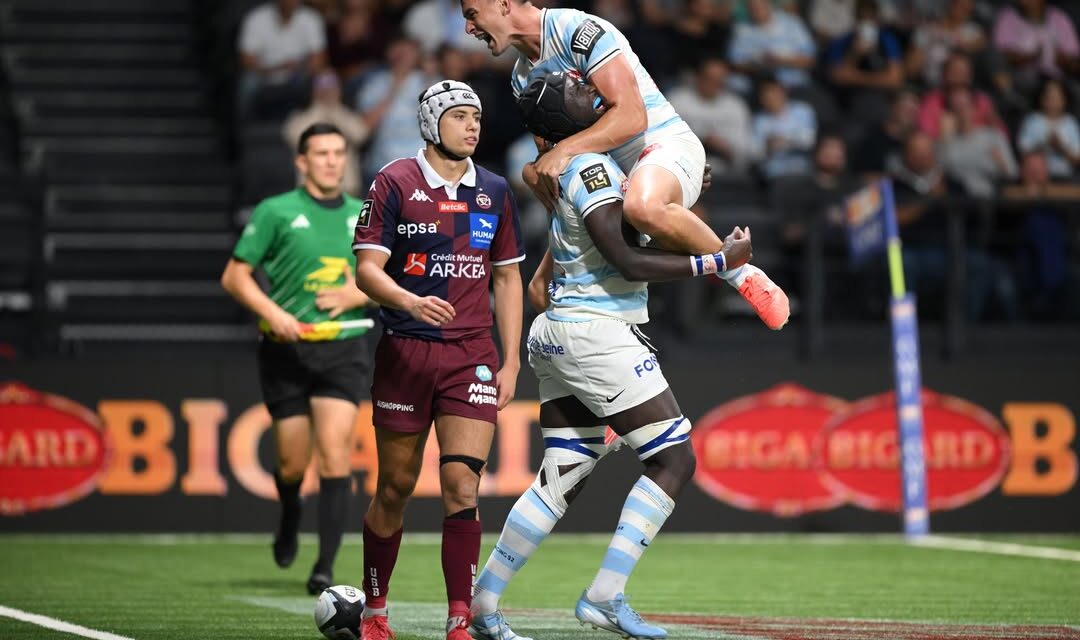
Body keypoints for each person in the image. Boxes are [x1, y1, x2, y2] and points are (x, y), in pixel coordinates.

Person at [469, 70, 752, 640]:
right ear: (563, 118)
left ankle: (483, 604)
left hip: (559, 330)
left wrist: (682, 186)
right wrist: (715, 262)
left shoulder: (572, 170)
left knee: (561, 475)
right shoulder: (590, 168)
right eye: (574, 90)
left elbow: (540, 286)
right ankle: (605, 595)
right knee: (674, 460)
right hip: (594, 334)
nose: (588, 88)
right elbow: (628, 261)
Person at [460, 0, 790, 330]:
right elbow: (548, 163)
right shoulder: (522, 79)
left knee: (643, 207)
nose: (468, 29)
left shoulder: (577, 31)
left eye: (472, 15)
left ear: (502, 4)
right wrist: (536, 172)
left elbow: (632, 117)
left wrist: (563, 153)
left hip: (660, 143)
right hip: (607, 178)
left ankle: (740, 272)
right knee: (540, 293)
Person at [351, 80, 525, 640]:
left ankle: (458, 620)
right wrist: (407, 300)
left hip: (471, 355)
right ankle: (375, 612)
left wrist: (511, 361)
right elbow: (367, 271)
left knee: (462, 486)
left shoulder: (494, 189)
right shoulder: (394, 180)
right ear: (431, 124)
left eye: (476, 116)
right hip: (405, 350)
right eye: (458, 116)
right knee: (395, 489)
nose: (472, 125)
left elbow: (507, 277)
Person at [220, 123, 373, 594]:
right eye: (321, 153)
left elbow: (394, 276)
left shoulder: (364, 214)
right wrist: (273, 312)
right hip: (285, 349)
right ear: (301, 162)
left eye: (338, 152)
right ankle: (290, 513)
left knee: (335, 455)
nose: (332, 160)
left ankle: (324, 567)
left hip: (344, 348)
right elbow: (234, 276)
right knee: (290, 463)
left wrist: (357, 291)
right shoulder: (275, 212)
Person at [283, 72, 370, 196]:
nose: (327, 93)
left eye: (331, 89)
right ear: (313, 92)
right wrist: (318, 108)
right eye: (322, 89)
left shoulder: (347, 115)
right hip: (311, 193)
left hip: (347, 192)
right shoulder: (299, 117)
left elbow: (361, 135)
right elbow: (293, 137)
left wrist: (335, 110)